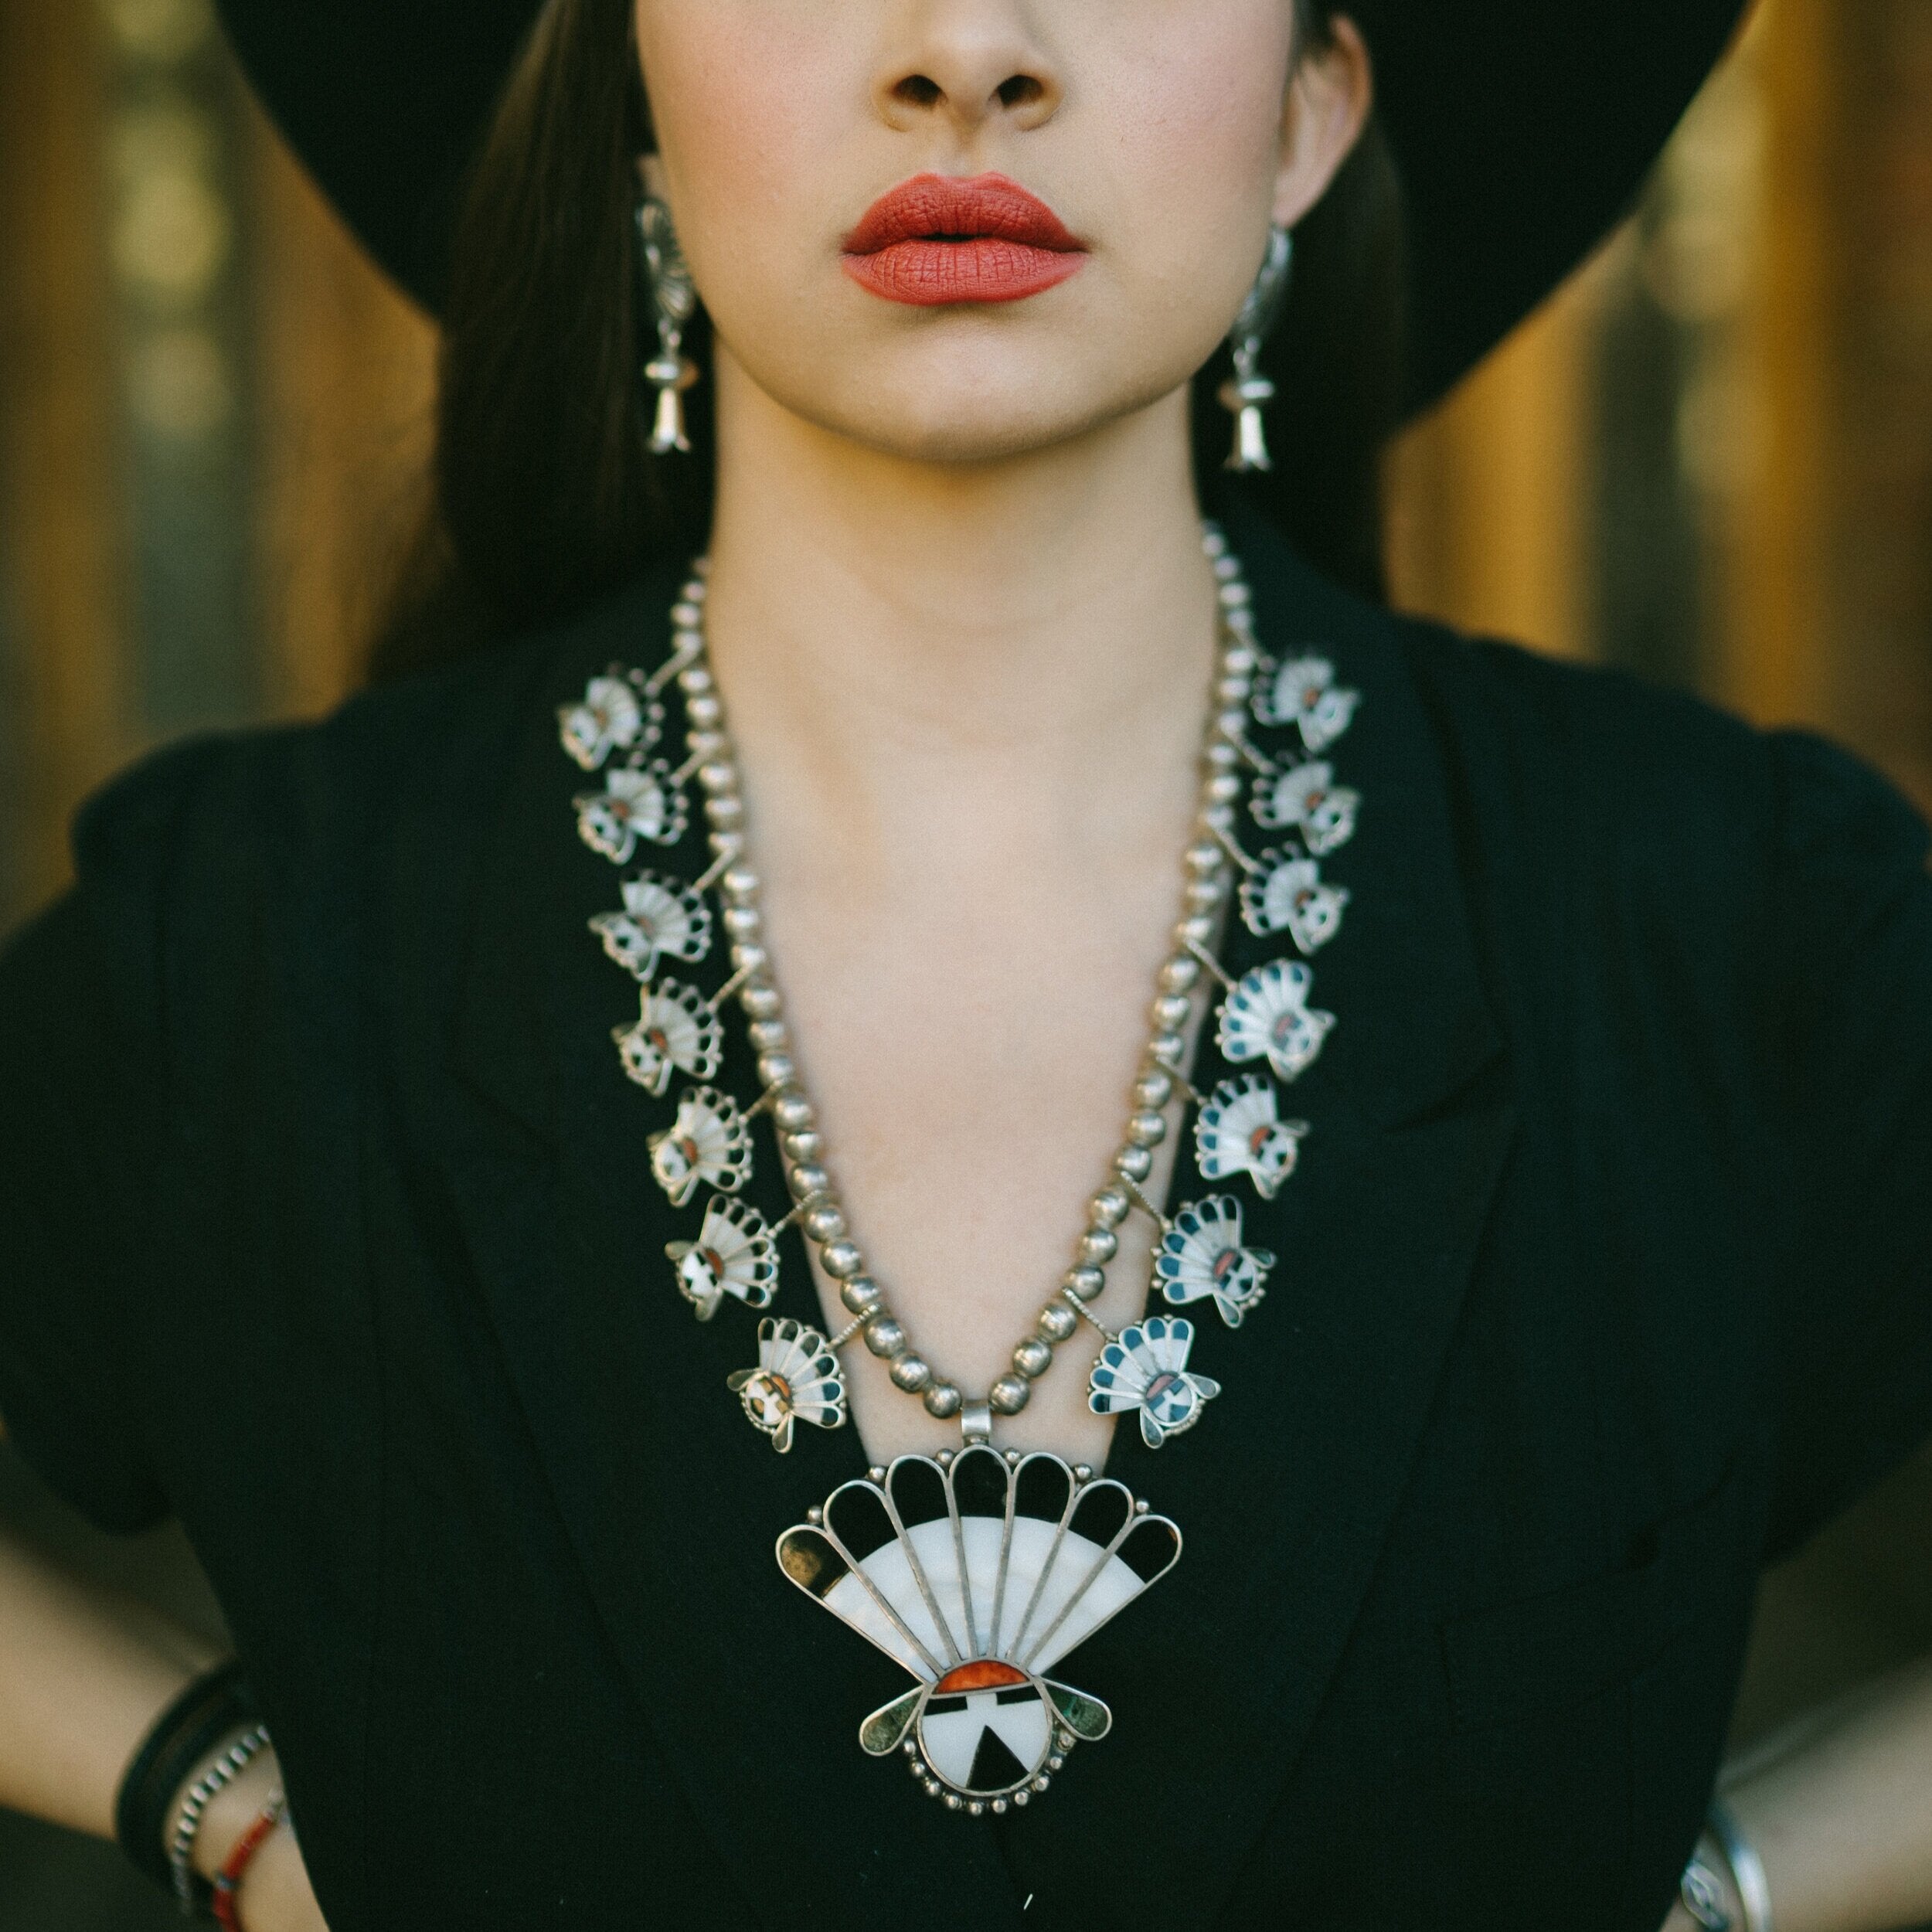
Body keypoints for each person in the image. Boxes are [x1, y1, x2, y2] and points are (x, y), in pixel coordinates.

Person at [1, 1, 1930, 1927]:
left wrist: (1742, 1881)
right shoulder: (244, 948)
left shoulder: (1722, 924)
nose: (967, 50)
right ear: (632, 100)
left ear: (1309, 112)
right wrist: (212, 1793)